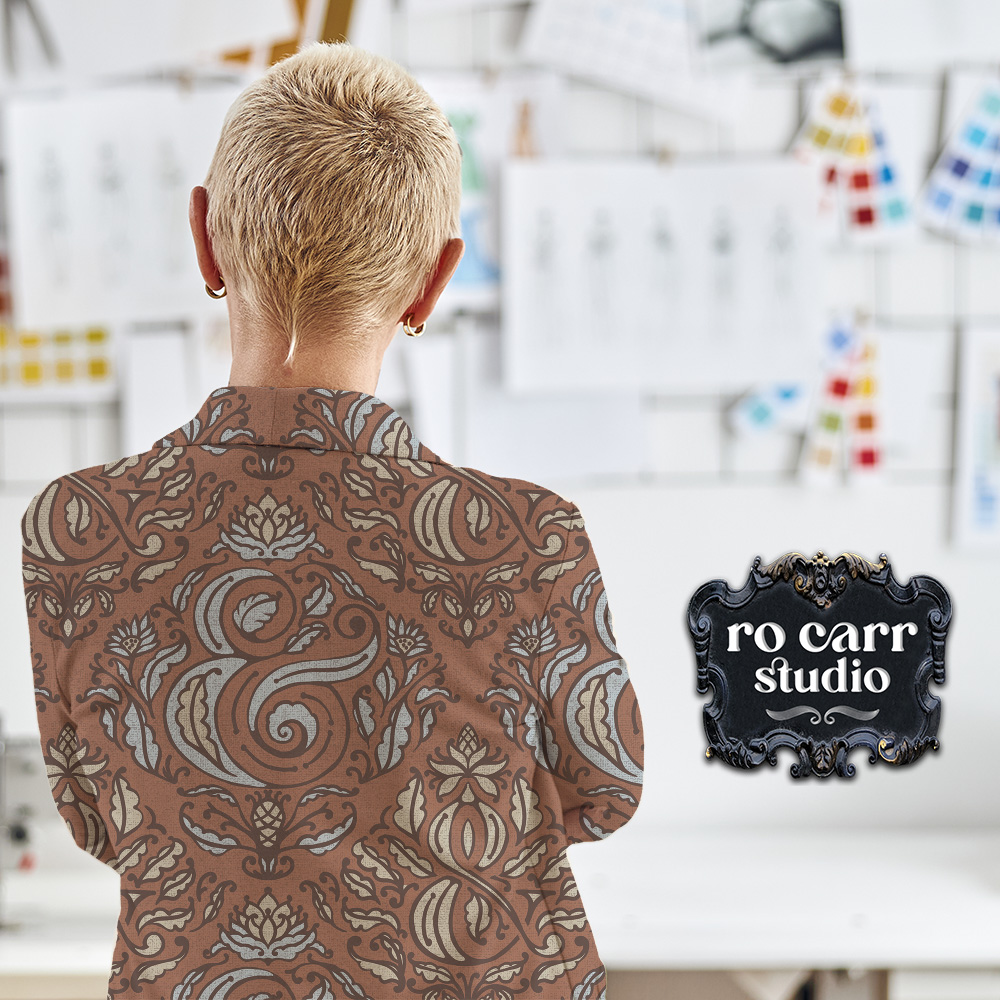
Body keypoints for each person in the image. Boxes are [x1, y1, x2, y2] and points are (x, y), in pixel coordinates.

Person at [20, 41, 645, 1000]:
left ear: (205, 241)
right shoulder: (526, 539)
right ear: (434, 281)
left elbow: (98, 820)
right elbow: (603, 793)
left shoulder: (76, 530)